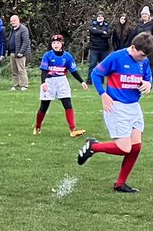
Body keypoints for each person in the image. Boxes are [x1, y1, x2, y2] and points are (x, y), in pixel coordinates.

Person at [77, 31, 153, 192]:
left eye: (145, 56)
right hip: (116, 107)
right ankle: (93, 146)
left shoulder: (144, 61)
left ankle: (120, 184)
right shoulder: (116, 57)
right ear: (133, 47)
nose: (142, 58)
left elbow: (148, 77)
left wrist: (148, 83)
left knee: (136, 147)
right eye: (140, 55)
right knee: (124, 148)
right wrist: (103, 94)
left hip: (134, 107)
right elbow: (96, 74)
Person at [34, 34, 88, 136]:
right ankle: (37, 126)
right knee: (44, 106)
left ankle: (73, 130)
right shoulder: (48, 55)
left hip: (62, 81)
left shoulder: (67, 56)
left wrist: (82, 81)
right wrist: (43, 82)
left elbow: (73, 71)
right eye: (54, 43)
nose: (56, 45)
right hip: (49, 81)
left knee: (67, 104)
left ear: (62, 44)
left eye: (58, 43)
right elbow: (44, 71)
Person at [7, 14, 31, 90]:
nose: (13, 22)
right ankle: (15, 85)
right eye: (11, 21)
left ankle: (24, 85)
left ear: (18, 20)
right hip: (12, 53)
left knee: (21, 70)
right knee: (14, 71)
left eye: (14, 20)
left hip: (20, 53)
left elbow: (26, 42)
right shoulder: (12, 29)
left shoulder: (23, 29)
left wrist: (21, 52)